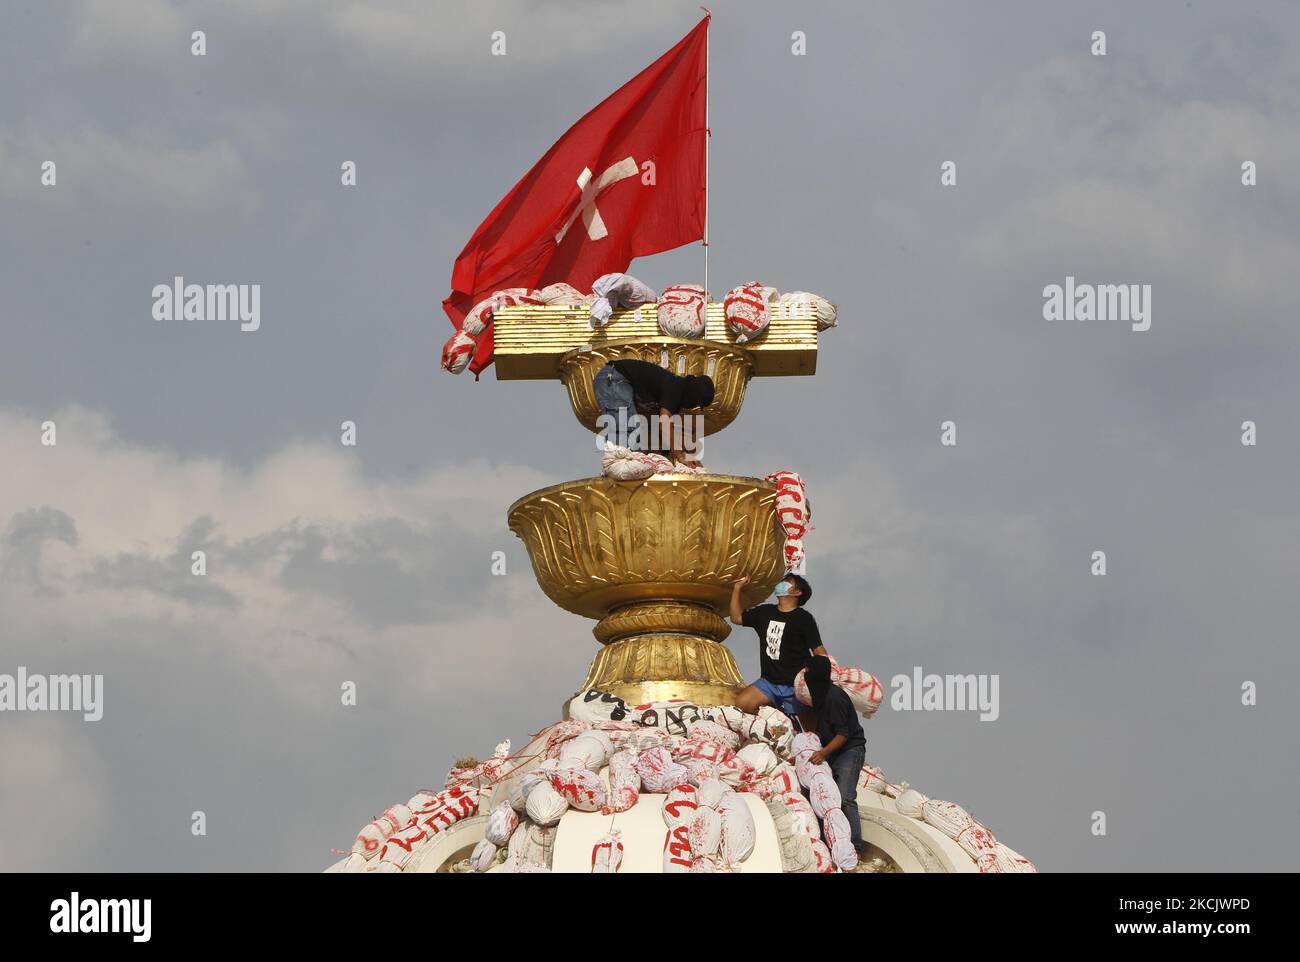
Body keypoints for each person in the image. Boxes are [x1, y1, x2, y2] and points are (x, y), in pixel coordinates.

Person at [729, 573, 827, 715]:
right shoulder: (765, 612)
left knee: (809, 731)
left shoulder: (804, 618)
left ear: (797, 592)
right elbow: (736, 617)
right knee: (742, 704)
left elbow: (817, 648)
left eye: (787, 582)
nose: (781, 583)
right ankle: (776, 720)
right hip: (769, 682)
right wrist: (737, 587)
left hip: (796, 685)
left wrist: (826, 673)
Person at [592, 359, 714, 467]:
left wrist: (659, 458)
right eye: (697, 403)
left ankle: (625, 466)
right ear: (694, 393)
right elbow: (665, 425)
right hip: (614, 379)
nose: (693, 407)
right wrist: (681, 455)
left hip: (616, 381)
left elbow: (659, 434)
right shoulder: (676, 387)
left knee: (635, 438)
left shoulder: (672, 399)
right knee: (628, 429)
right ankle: (620, 467)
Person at [801, 654, 866, 855]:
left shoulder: (833, 698)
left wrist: (822, 753)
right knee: (825, 795)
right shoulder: (819, 695)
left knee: (845, 797)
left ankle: (855, 845)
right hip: (832, 749)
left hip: (849, 750)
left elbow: (843, 735)